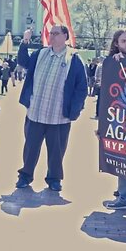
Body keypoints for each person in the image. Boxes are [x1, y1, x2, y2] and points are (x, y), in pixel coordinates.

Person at [15, 26, 87, 192]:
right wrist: (25, 41)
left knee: (57, 151)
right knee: (30, 148)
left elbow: (81, 88)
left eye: (56, 33)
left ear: (65, 37)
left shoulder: (74, 59)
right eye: (50, 33)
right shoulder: (40, 54)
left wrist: (74, 111)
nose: (51, 36)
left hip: (59, 117)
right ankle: (25, 176)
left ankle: (54, 179)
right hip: (36, 113)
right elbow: (23, 62)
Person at [99, 29, 126, 210]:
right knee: (123, 155)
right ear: (116, 43)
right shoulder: (111, 64)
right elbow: (105, 96)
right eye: (124, 41)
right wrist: (102, 124)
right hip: (120, 120)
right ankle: (124, 195)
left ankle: (125, 196)